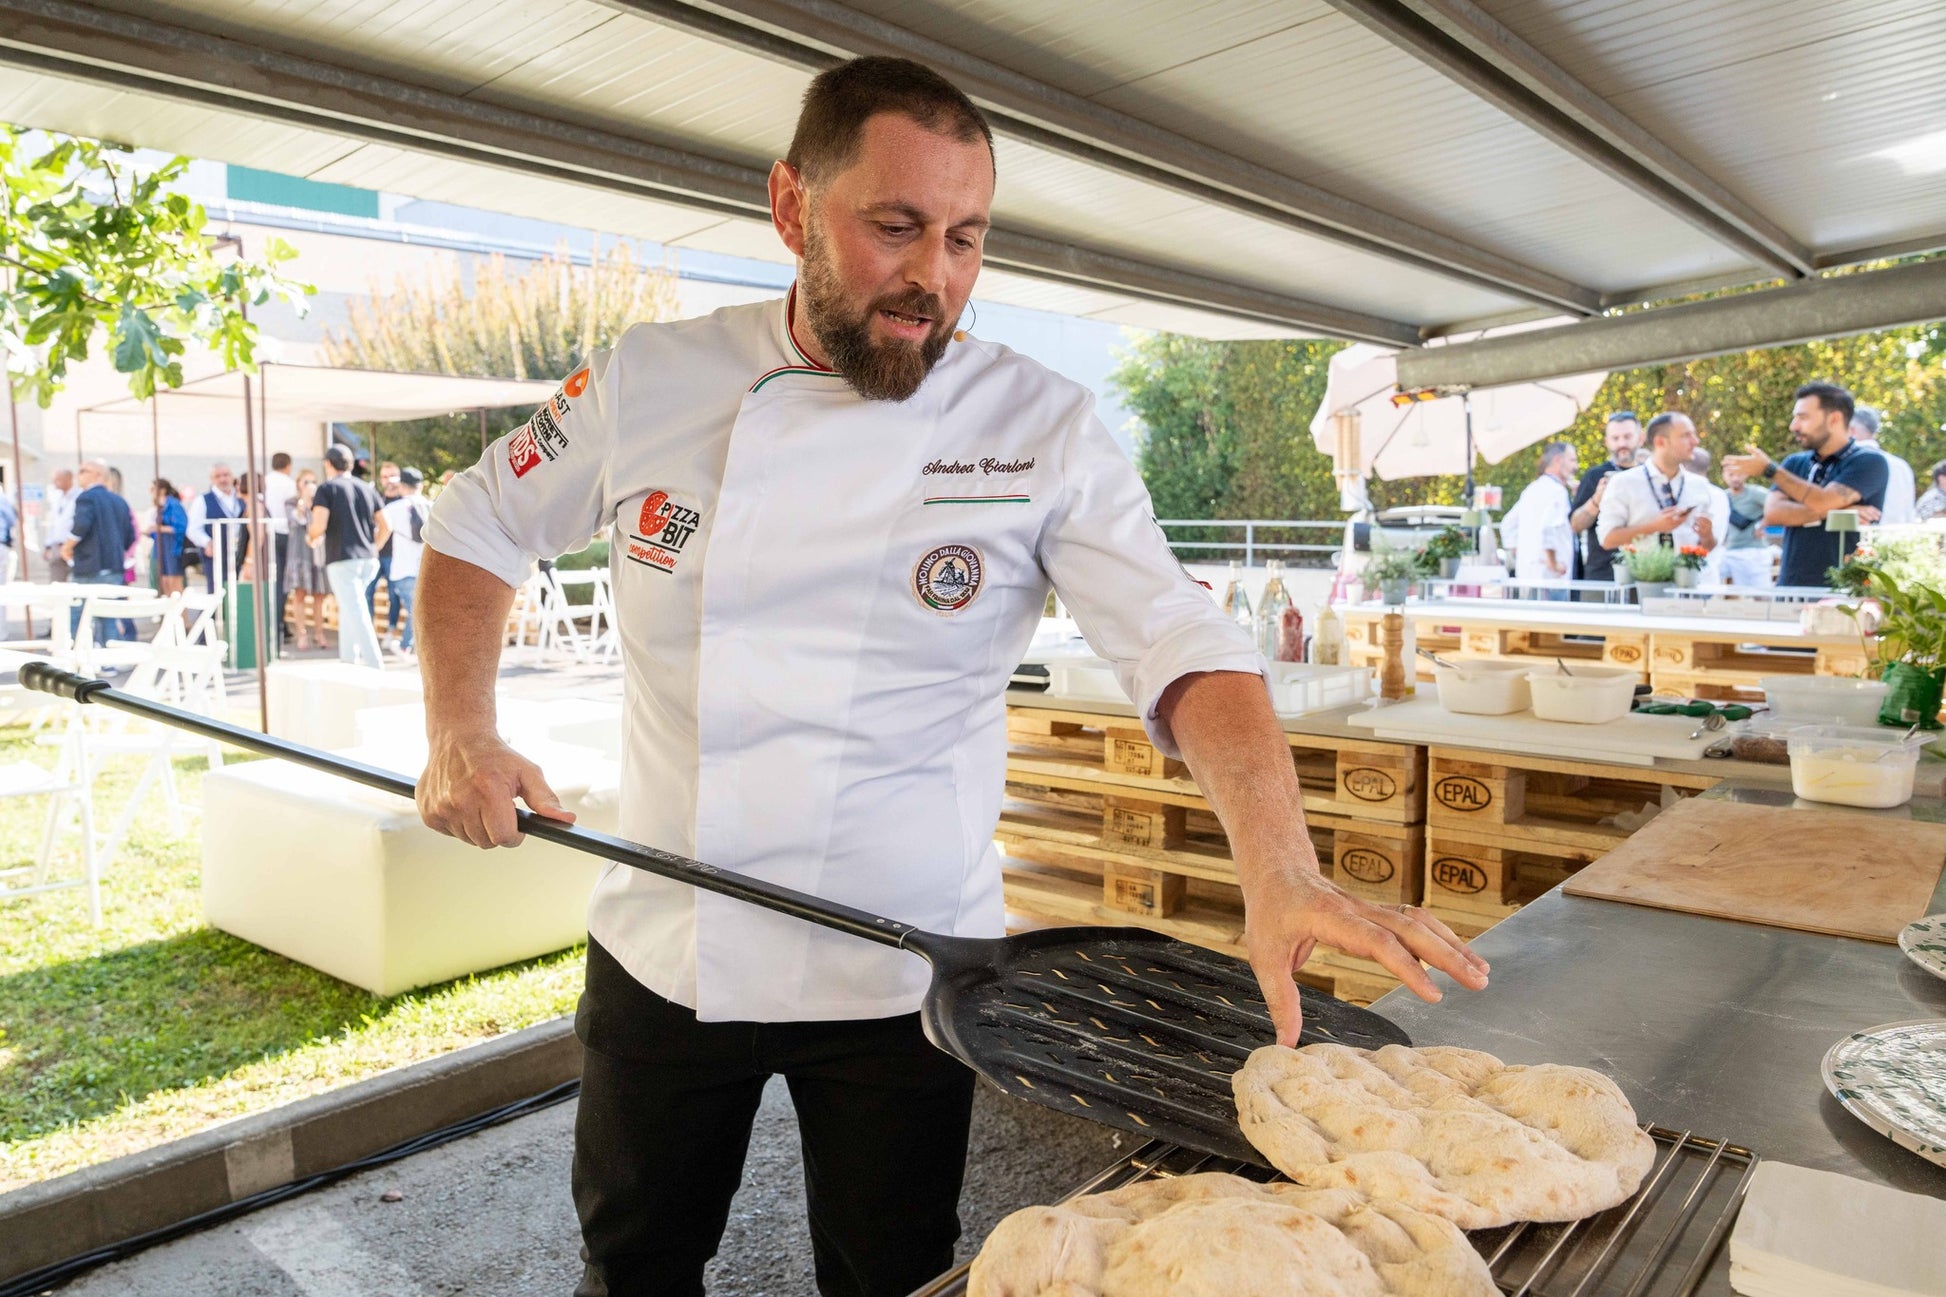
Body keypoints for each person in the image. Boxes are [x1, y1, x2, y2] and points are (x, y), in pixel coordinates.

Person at [414, 57, 1487, 1297]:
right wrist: (461, 729)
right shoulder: (650, 377)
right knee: (635, 1260)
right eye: (895, 228)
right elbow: (478, 522)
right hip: (669, 939)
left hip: (903, 962)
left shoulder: (1039, 425)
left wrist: (1279, 865)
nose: (935, 276)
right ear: (789, 208)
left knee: (894, 1275)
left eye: (967, 238)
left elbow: (1182, 642)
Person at [1725, 382, 1889, 589]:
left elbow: (1823, 501)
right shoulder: (1794, 463)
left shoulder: (1869, 462)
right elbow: (1773, 514)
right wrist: (1838, 512)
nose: (1793, 426)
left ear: (1834, 419)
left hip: (1846, 589)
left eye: (1803, 417)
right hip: (1791, 585)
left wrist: (1770, 471)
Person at [1596, 412, 1728, 572]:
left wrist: (1707, 535)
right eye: (1686, 436)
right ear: (1661, 442)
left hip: (1688, 586)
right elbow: (1607, 539)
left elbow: (1707, 548)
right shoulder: (1624, 483)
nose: (1695, 441)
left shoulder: (1699, 486)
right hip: (1641, 585)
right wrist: (1655, 526)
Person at [308, 445, 390, 669]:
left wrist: (311, 535)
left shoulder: (326, 489)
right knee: (349, 609)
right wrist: (374, 548)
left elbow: (319, 526)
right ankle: (348, 662)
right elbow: (386, 525)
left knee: (355, 611)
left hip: (342, 559)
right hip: (368, 559)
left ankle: (375, 665)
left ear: (328, 464)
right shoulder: (367, 488)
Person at [59, 460, 136, 647]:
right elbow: (129, 536)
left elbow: (81, 526)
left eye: (84, 471)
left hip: (89, 567)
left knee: (78, 614)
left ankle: (75, 656)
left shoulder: (87, 497)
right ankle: (109, 661)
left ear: (98, 475)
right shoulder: (119, 501)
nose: (80, 474)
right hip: (113, 567)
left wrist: (67, 547)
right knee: (108, 615)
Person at [1569, 412, 1642, 584]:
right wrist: (1596, 500)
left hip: (1645, 574)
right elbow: (1575, 525)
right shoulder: (1594, 476)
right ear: (1607, 442)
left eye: (1627, 437)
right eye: (1615, 438)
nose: (1621, 443)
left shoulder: (1649, 475)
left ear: (1640, 438)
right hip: (1602, 575)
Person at [1510, 442, 1577, 594]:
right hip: (1552, 581)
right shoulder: (1557, 491)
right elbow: (1548, 528)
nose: (1576, 466)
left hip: (1527, 576)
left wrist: (1520, 552)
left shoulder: (1532, 489)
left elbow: (1507, 525)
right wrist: (1553, 563)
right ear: (1558, 460)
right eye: (1572, 460)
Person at [379, 467, 429, 656]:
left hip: (402, 568)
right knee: (418, 609)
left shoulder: (392, 509)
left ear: (401, 486)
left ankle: (405, 646)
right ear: (421, 485)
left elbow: (380, 528)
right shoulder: (431, 506)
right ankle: (412, 647)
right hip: (424, 568)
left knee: (415, 610)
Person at [283, 469, 331, 651]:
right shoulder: (291, 502)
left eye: (312, 481)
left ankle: (319, 633)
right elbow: (296, 521)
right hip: (299, 553)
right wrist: (304, 500)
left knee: (319, 595)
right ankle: (302, 634)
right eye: (306, 482)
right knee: (300, 595)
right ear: (298, 484)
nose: (310, 485)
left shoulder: (321, 503)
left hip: (318, 552)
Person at [186, 463, 250, 593]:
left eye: (226, 475)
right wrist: (207, 542)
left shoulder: (241, 498)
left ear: (232, 477)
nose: (222, 479)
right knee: (217, 591)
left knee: (241, 590)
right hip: (217, 555)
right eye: (218, 476)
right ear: (212, 479)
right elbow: (193, 529)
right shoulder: (203, 500)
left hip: (241, 554)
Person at [1848, 405, 1917, 525]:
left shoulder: (1845, 462)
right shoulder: (1900, 465)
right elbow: (1908, 514)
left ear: (1851, 430)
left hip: (1858, 540)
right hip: (1897, 538)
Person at [1716, 458, 1775, 587]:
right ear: (1724, 476)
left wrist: (1764, 523)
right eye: (1731, 474)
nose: (1735, 478)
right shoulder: (1722, 497)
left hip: (1754, 550)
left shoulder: (1756, 493)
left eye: (1739, 474)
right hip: (1729, 551)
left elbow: (1777, 506)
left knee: (1761, 595)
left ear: (1746, 474)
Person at [366, 460, 403, 633]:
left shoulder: (405, 500)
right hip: (377, 553)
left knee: (393, 594)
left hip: (396, 554)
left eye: (392, 476)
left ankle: (391, 629)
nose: (388, 480)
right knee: (367, 591)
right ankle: (369, 629)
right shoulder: (376, 499)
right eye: (384, 477)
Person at [265, 452, 298, 643]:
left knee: (272, 581)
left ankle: (278, 624)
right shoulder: (289, 484)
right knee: (282, 583)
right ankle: (278, 624)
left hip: (268, 534)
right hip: (285, 534)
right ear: (287, 465)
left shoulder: (266, 482)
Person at [151, 479, 189, 596]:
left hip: (173, 548)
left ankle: (182, 614)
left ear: (162, 490)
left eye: (153, 489)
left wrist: (160, 528)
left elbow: (181, 527)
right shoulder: (161, 507)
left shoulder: (173, 505)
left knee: (175, 584)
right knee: (165, 583)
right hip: (162, 548)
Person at [43, 467, 75, 584]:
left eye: (58, 480)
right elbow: (53, 524)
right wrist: (48, 546)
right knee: (56, 582)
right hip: (57, 545)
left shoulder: (79, 497)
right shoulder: (57, 498)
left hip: (72, 546)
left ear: (69, 479)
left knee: (76, 581)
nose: (55, 484)